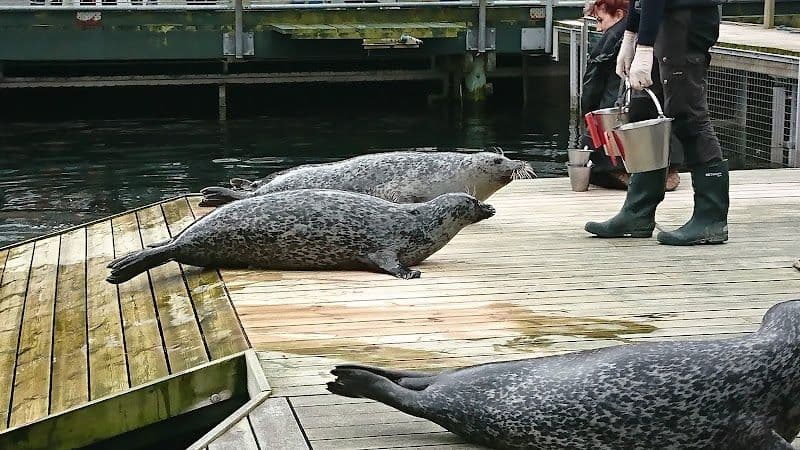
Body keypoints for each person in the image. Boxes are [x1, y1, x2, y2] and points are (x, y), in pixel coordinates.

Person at [584, 0, 728, 246]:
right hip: (660, 17)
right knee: (643, 111)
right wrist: (631, 35)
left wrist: (644, 46)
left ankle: (711, 217)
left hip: (686, 18)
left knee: (688, 115)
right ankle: (638, 212)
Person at [580, 0, 681, 191]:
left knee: (592, 159)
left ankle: (620, 172)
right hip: (658, 135)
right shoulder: (654, 34)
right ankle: (668, 170)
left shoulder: (611, 39)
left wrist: (587, 115)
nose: (599, 28)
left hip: (619, 137)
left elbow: (591, 88)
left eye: (600, 20)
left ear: (618, 15)